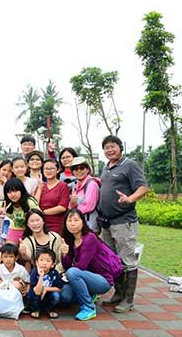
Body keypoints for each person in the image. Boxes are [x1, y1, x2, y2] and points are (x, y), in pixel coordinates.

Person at [99, 135, 149, 313]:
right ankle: (119, 293)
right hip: (107, 222)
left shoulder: (129, 165)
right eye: (106, 147)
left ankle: (128, 300)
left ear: (120, 147)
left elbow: (143, 187)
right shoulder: (105, 168)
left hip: (124, 221)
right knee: (112, 260)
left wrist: (130, 199)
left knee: (127, 260)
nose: (109, 150)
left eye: (112, 146)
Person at [61, 209, 123, 321]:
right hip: (87, 277)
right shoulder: (70, 240)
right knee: (66, 295)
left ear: (83, 222)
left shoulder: (90, 238)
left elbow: (81, 266)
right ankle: (90, 294)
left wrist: (69, 271)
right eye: (69, 221)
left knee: (72, 272)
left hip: (103, 281)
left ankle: (89, 308)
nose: (73, 224)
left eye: (76, 220)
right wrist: (65, 255)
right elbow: (67, 266)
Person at [0, 178, 39, 245]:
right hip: (14, 230)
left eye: (15, 191)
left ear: (21, 190)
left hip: (31, 230)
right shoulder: (4, 203)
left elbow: (40, 217)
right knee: (10, 252)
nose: (13, 194)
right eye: (9, 192)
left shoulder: (29, 202)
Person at [27, 249, 65, 319]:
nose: (44, 263)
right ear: (36, 263)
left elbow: (60, 288)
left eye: (48, 261)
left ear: (53, 264)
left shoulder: (54, 273)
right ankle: (36, 309)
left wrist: (46, 289)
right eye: (41, 260)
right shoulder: (34, 272)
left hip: (48, 296)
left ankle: (51, 309)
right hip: (37, 295)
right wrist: (41, 276)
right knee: (33, 295)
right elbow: (36, 291)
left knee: (56, 296)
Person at [68, 156, 100, 232]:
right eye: (76, 169)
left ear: (87, 169)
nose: (79, 171)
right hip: (79, 223)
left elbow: (89, 206)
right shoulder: (76, 185)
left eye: (82, 168)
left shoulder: (91, 184)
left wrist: (72, 213)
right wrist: (72, 203)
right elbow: (71, 205)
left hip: (90, 224)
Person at [39, 159, 70, 235]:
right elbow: (34, 203)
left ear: (58, 170)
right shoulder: (41, 186)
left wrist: (43, 212)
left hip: (56, 224)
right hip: (40, 223)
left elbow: (62, 207)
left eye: (52, 168)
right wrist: (39, 188)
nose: (49, 171)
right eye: (46, 168)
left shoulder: (63, 186)